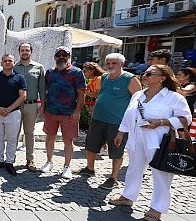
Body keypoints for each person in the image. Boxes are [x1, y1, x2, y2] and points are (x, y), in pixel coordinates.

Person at [108, 65, 191, 221]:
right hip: (136, 137)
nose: (144, 75)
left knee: (161, 173)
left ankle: (157, 207)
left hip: (159, 139)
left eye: (149, 73)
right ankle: (128, 195)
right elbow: (128, 114)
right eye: (144, 73)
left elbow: (185, 119)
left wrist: (161, 122)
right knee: (134, 168)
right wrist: (121, 132)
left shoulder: (174, 97)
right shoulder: (138, 95)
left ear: (162, 78)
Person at [73, 53, 141, 189]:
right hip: (98, 118)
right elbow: (101, 93)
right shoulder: (104, 77)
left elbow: (139, 100)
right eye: (108, 63)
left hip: (118, 121)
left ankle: (113, 178)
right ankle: (89, 169)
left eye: (114, 63)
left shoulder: (130, 79)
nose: (110, 66)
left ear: (122, 63)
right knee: (91, 145)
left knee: (116, 150)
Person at [39, 46, 86, 179]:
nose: (61, 57)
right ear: (54, 57)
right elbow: (45, 91)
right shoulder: (49, 72)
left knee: (68, 140)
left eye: (64, 55)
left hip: (69, 112)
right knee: (50, 137)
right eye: (58, 55)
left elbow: (81, 94)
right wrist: (42, 107)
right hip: (51, 111)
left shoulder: (76, 72)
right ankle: (49, 162)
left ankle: (67, 166)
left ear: (68, 57)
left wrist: (77, 112)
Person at [0, 54, 27, 176]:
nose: (8, 62)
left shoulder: (19, 78)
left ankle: (9, 162)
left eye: (10, 61)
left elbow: (23, 96)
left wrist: (9, 109)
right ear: (1, 62)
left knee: (11, 139)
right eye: (5, 61)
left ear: (14, 63)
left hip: (13, 113)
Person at [14, 43, 46, 172]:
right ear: (19, 52)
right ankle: (11, 158)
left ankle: (30, 159)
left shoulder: (39, 67)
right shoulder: (14, 67)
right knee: (13, 133)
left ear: (31, 52)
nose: (25, 52)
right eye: (22, 50)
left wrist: (42, 105)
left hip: (31, 105)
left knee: (29, 133)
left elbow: (42, 89)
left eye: (27, 50)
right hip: (15, 106)